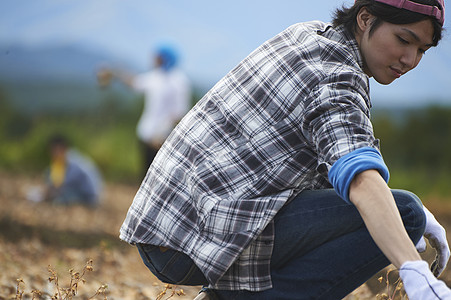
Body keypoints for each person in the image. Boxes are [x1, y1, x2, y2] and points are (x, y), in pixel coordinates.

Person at [120, 0, 451, 299]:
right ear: (366, 18)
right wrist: (414, 270)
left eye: (422, 50)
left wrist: (401, 211)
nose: (410, 60)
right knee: (405, 210)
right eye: (404, 40)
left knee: (401, 208)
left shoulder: (309, 35)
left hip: (168, 224)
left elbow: (328, 162)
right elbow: (359, 178)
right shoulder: (335, 79)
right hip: (193, 239)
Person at [98, 45, 192, 177]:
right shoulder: (155, 76)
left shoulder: (178, 81)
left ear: (165, 58)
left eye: (157, 56)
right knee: (146, 176)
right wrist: (115, 73)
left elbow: (179, 112)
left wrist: (162, 133)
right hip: (146, 134)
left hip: (162, 138)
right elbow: (134, 83)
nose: (153, 59)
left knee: (160, 177)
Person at [44, 134, 102, 207]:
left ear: (60, 148)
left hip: (89, 197)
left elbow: (61, 185)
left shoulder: (74, 163)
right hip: (85, 193)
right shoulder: (73, 157)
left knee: (59, 199)